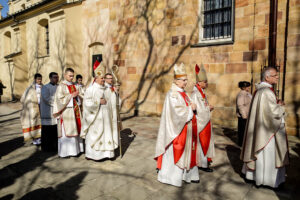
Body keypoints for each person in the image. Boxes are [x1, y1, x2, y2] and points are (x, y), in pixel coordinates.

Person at [240, 67, 289, 188]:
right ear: (267, 77)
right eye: (275, 75)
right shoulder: (266, 92)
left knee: (258, 151)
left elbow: (266, 109)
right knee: (267, 152)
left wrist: (276, 103)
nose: (277, 77)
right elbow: (272, 113)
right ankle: (267, 180)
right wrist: (281, 107)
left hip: (260, 129)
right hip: (267, 132)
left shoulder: (260, 91)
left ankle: (253, 176)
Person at [155, 63, 200, 187]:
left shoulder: (183, 93)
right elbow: (177, 113)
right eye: (184, 80)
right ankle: (171, 177)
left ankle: (187, 175)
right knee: (175, 153)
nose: (186, 82)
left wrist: (193, 106)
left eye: (186, 80)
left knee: (188, 151)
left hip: (186, 129)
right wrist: (190, 108)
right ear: (176, 80)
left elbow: (188, 105)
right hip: (176, 131)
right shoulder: (173, 94)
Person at [81, 63, 118, 160]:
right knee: (95, 135)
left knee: (106, 134)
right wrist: (98, 102)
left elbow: (112, 100)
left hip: (106, 117)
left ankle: (107, 154)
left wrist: (115, 93)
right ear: (96, 78)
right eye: (101, 78)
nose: (103, 80)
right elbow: (86, 103)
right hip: (95, 118)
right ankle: (92, 155)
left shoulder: (107, 88)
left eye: (103, 78)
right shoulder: (90, 89)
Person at [53, 68, 84, 158]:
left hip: (76, 111)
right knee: (67, 132)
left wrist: (79, 97)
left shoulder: (76, 85)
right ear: (65, 75)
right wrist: (71, 96)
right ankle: (65, 153)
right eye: (70, 76)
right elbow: (59, 100)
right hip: (67, 113)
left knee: (77, 129)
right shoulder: (61, 86)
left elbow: (81, 96)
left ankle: (77, 151)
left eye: (73, 76)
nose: (72, 77)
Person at [191, 64, 215, 172]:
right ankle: (202, 164)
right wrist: (208, 108)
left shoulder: (201, 92)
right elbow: (198, 110)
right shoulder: (196, 93)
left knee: (204, 142)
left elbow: (202, 105)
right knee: (202, 143)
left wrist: (207, 107)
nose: (206, 83)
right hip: (201, 122)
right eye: (205, 81)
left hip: (205, 121)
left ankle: (204, 162)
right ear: (199, 82)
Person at [20, 73, 43, 145]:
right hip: (33, 108)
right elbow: (24, 99)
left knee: (42, 123)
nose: (39, 80)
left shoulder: (44, 87)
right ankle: (35, 139)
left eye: (40, 79)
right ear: (35, 79)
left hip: (42, 107)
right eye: (38, 79)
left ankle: (41, 137)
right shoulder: (30, 89)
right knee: (34, 123)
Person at [40, 72, 59, 152]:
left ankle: (55, 147)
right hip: (48, 113)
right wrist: (59, 103)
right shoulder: (45, 87)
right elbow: (47, 99)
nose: (56, 79)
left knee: (55, 131)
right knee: (47, 131)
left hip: (56, 113)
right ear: (50, 78)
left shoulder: (59, 86)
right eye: (54, 77)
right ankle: (46, 148)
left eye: (57, 77)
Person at [105, 72, 121, 153]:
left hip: (113, 112)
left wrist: (116, 92)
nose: (111, 80)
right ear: (105, 79)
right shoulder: (103, 87)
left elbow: (117, 99)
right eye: (109, 78)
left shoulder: (112, 87)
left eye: (111, 78)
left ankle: (114, 144)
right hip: (107, 112)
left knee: (113, 129)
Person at [236, 81, 252, 146]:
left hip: (247, 115)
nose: (249, 88)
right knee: (242, 130)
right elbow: (240, 105)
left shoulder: (247, 94)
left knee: (246, 130)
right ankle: (241, 144)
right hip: (243, 116)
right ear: (244, 87)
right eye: (247, 86)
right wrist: (244, 115)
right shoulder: (241, 94)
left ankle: (245, 143)